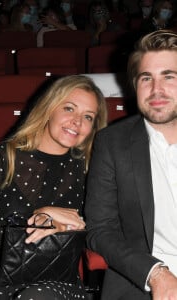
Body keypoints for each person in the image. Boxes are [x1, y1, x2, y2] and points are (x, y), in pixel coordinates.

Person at [0, 74, 108, 299]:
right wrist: (38, 216)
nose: (77, 122)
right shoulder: (3, 157)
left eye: (88, 116)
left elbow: (99, 232)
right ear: (49, 108)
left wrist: (74, 227)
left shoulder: (91, 168)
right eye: (69, 108)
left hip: (55, 276)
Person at [85, 29, 177, 299]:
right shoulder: (112, 142)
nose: (156, 90)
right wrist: (155, 273)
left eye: (169, 77)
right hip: (144, 276)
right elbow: (100, 230)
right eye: (146, 78)